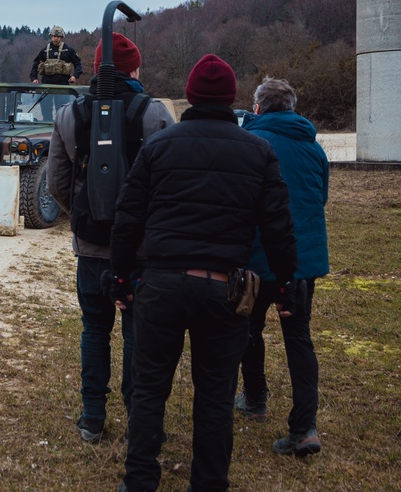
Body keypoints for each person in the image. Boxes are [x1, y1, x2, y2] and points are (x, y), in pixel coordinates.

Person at [110, 54, 299, 492]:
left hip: (161, 285)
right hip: (223, 290)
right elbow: (278, 228)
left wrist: (120, 277)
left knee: (149, 390)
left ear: (190, 95)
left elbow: (128, 217)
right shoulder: (258, 150)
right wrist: (287, 285)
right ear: (232, 97)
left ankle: (138, 481)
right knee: (214, 398)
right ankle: (209, 483)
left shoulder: (160, 146)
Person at [47, 34, 174, 444]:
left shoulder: (69, 114)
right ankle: (138, 414)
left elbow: (56, 184)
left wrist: (84, 216)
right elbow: (167, 184)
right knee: (137, 331)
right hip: (140, 249)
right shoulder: (155, 114)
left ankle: (92, 418)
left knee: (93, 329)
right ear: (133, 69)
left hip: (91, 246)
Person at [234, 77, 329, 458]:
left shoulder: (252, 145)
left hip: (259, 258)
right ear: (291, 108)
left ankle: (255, 397)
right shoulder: (313, 147)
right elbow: (320, 197)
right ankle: (305, 426)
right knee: (298, 337)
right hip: (302, 262)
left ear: (257, 108)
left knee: (247, 329)